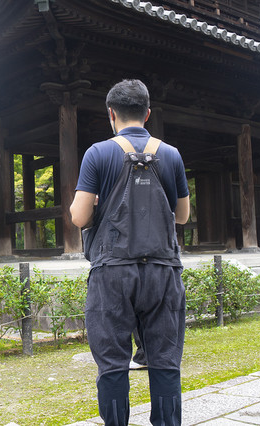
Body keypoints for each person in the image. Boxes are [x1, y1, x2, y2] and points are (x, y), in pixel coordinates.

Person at [70, 79, 190, 425]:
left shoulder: (98, 153)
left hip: (112, 273)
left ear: (112, 114)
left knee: (112, 365)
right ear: (147, 113)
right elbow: (182, 215)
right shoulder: (171, 154)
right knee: (165, 361)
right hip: (162, 271)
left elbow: (80, 217)